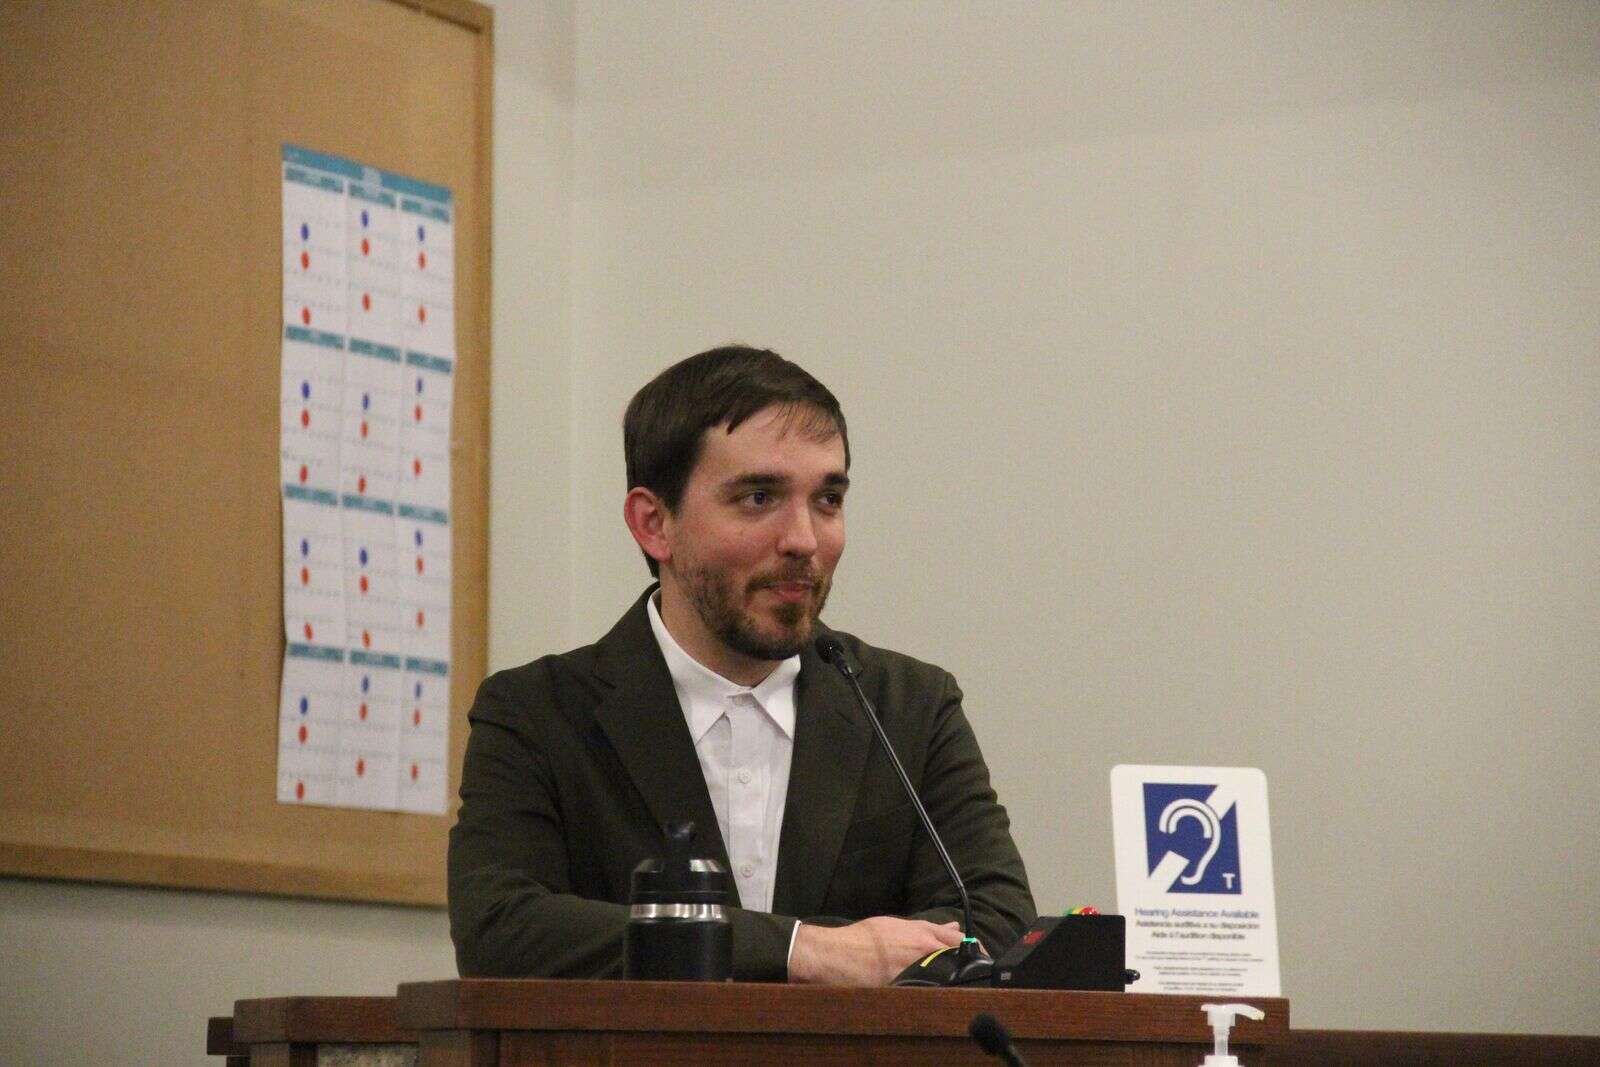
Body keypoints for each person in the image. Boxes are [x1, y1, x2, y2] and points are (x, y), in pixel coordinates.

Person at [448, 345, 1034, 984]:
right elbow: (500, 929)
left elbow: (997, 922)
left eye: (828, 499)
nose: (804, 540)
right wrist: (802, 950)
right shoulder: (537, 713)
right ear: (654, 524)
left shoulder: (908, 707)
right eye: (759, 497)